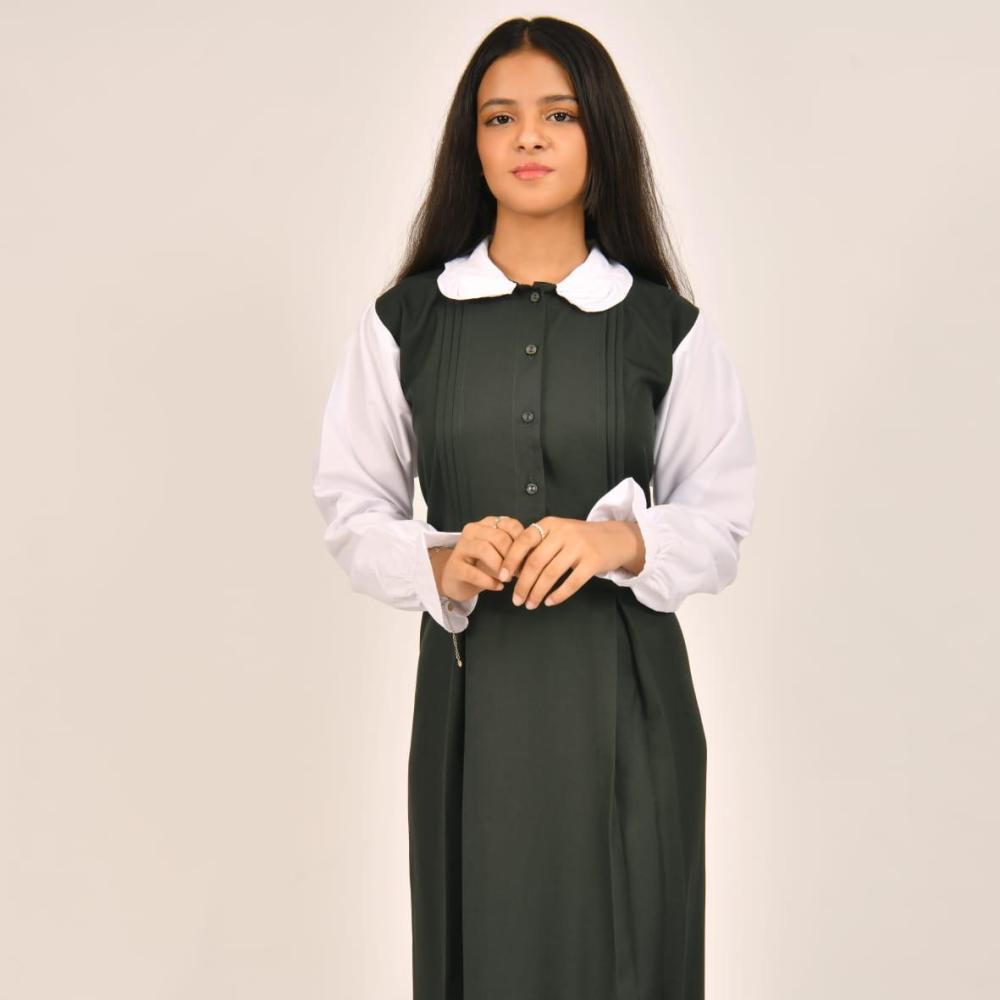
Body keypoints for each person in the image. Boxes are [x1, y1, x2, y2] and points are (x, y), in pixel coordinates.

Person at [312, 16, 755, 1000]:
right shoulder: (407, 323)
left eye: (558, 114)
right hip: (475, 704)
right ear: (470, 144)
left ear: (600, 134)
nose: (528, 138)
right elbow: (352, 508)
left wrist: (617, 540)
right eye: (499, 117)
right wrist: (438, 559)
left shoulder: (663, 328)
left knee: (631, 953)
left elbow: (721, 523)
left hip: (630, 707)